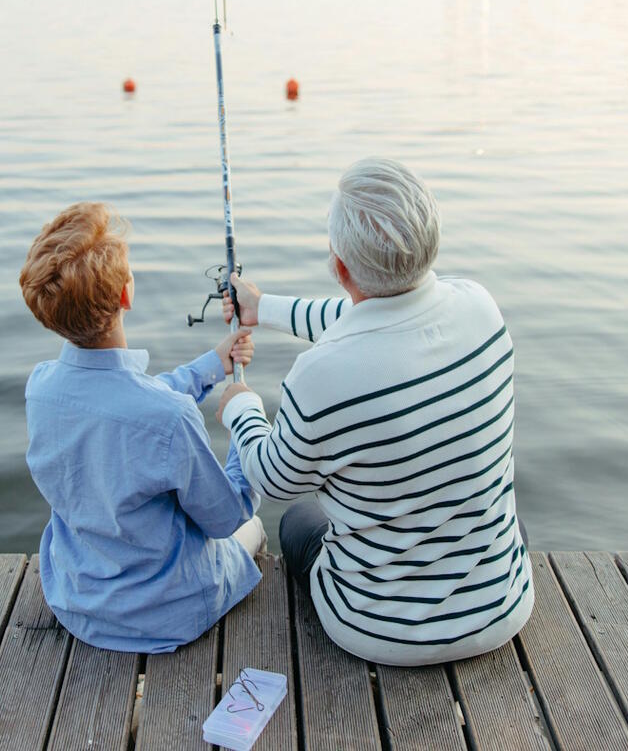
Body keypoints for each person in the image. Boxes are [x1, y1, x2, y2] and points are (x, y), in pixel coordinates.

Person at [217, 158, 533, 666]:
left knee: (300, 519)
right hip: (503, 608)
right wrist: (264, 308)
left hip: (379, 631)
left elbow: (272, 481)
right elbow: (376, 314)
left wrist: (243, 410)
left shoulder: (320, 376)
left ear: (341, 269)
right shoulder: (480, 307)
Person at [19, 201, 265, 653]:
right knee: (254, 526)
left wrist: (212, 366)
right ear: (125, 296)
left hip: (77, 601)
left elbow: (126, 401)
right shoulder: (168, 417)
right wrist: (245, 429)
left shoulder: (41, 388)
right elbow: (225, 517)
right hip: (166, 615)